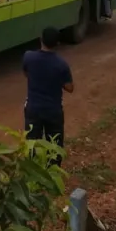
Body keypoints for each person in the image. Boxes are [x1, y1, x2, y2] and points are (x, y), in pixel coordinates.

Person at [22, 27, 74, 163]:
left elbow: (26, 73)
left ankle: (33, 175)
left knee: (32, 145)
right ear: (57, 44)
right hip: (53, 110)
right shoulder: (61, 65)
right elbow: (70, 88)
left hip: (33, 109)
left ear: (41, 40)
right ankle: (53, 174)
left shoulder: (29, 57)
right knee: (55, 146)